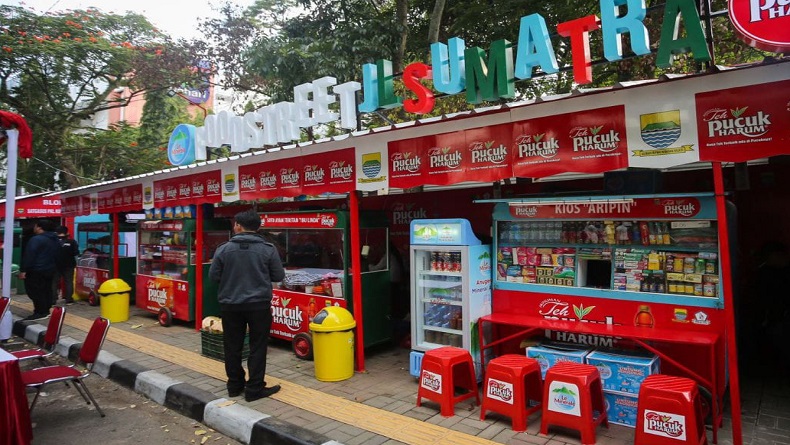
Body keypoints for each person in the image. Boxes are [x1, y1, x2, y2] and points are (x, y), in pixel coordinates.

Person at [209, 209, 285, 402]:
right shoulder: (268, 249)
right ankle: (254, 389)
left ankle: (234, 386)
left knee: (232, 346)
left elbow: (213, 277)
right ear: (258, 228)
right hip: (259, 305)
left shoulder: (223, 249)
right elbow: (278, 276)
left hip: (230, 305)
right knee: (257, 347)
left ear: (238, 226)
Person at [18, 219, 60, 320]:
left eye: (35, 226)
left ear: (40, 228)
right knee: (47, 289)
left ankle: (40, 312)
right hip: (50, 269)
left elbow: (30, 255)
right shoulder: (55, 239)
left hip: (36, 270)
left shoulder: (36, 239)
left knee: (35, 291)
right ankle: (46, 309)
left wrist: (24, 270)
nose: (34, 228)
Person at [53, 225, 79, 305]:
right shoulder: (72, 241)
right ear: (66, 232)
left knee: (54, 282)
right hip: (69, 265)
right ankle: (69, 300)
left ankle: (53, 300)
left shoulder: (53, 241)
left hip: (55, 265)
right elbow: (76, 253)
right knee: (69, 282)